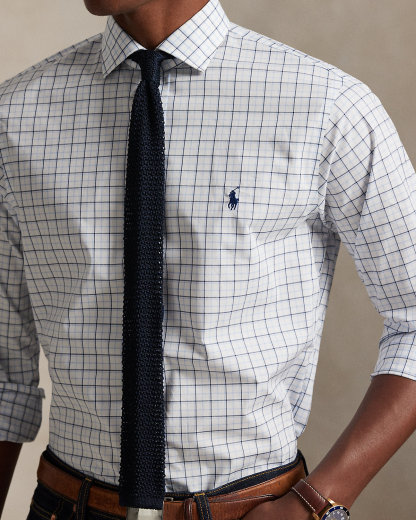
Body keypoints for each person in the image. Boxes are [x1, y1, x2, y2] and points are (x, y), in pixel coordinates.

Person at [1, 0, 416, 518]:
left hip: (254, 508)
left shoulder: (326, 105)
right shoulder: (14, 116)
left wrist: (316, 504)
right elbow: (4, 374)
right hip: (65, 505)